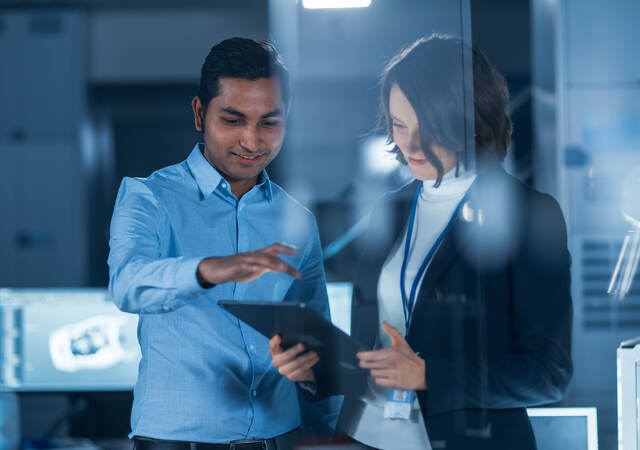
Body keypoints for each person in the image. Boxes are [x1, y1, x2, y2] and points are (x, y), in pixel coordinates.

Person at [271, 35, 573, 449]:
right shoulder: (390, 210)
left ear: (468, 120)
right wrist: (316, 371)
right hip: (370, 438)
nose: (408, 145)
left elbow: (548, 375)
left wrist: (428, 375)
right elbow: (376, 352)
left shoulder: (526, 213)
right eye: (398, 125)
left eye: (426, 127)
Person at [108, 37, 338, 449]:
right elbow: (127, 284)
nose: (252, 141)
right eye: (233, 120)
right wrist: (208, 269)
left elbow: (316, 345)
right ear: (200, 113)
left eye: (270, 122)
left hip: (280, 439)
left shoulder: (298, 220)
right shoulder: (148, 197)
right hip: (177, 443)